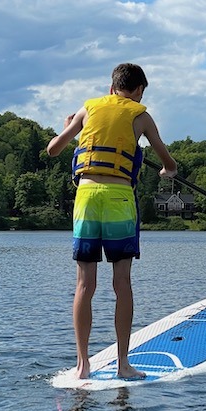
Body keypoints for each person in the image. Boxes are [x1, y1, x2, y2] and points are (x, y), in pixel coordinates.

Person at [47, 62, 177, 380]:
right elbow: (167, 160)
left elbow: (53, 149)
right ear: (139, 91)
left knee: (84, 285)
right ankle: (123, 366)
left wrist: (70, 125)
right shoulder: (141, 115)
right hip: (119, 200)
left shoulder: (87, 109)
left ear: (111, 87)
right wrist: (167, 171)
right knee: (122, 285)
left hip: (87, 199)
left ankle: (82, 366)